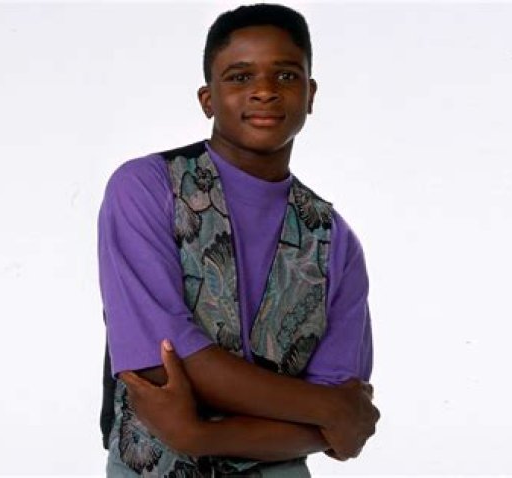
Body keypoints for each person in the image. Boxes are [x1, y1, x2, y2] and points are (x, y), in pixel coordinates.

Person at [97, 4, 380, 476]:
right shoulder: (147, 188)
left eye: (286, 76)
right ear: (208, 99)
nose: (265, 91)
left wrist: (198, 435)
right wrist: (324, 408)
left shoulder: (334, 240)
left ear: (310, 94)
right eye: (240, 77)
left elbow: (343, 425)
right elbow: (158, 361)